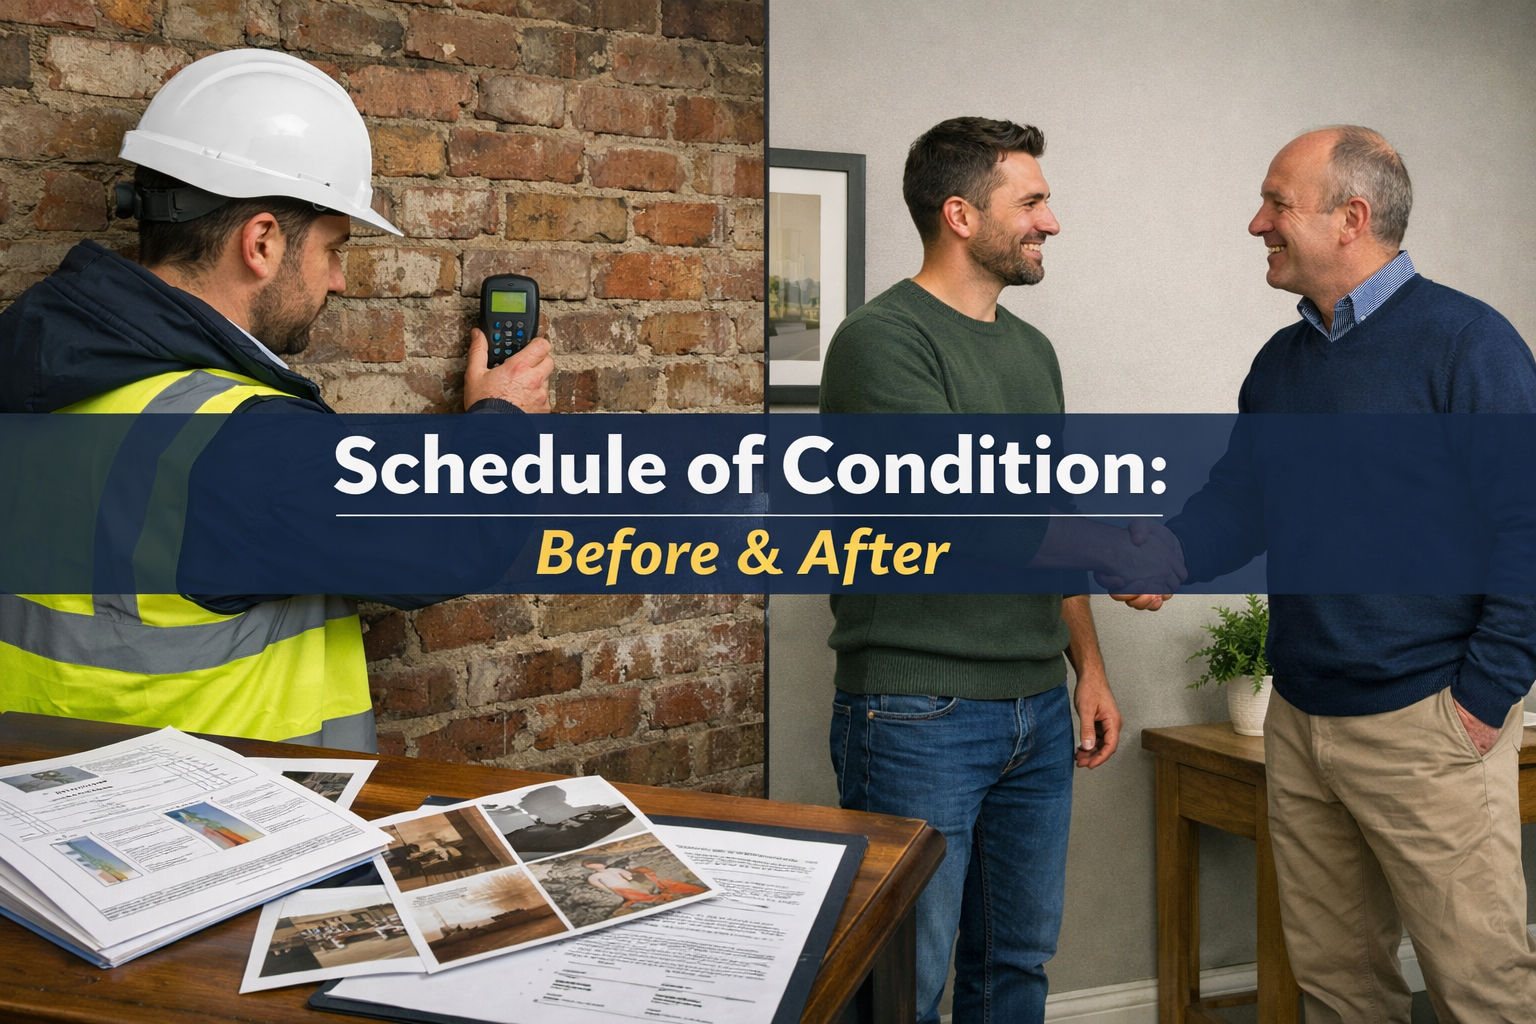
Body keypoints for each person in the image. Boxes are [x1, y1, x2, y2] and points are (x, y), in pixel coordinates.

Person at [0, 49, 554, 753]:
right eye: (333, 248)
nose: (339, 281)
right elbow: (453, 541)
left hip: (42, 822)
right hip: (229, 829)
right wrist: (502, 422)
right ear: (261, 242)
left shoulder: (32, 379)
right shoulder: (228, 441)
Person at [1140, 126, 1536, 1022]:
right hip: (1303, 719)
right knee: (1338, 990)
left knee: (1483, 991)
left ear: (1350, 217)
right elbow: (1239, 505)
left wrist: (1481, 698)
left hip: (1429, 721)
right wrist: (1162, 554)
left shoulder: (1469, 344)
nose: (1256, 223)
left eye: (1276, 203)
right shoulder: (1281, 367)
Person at [818, 117, 1181, 1024]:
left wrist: (1086, 666)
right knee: (903, 978)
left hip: (1033, 711)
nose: (1051, 221)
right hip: (916, 712)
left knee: (1013, 969)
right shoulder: (882, 342)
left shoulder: (1031, 353)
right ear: (960, 215)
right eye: (1032, 201)